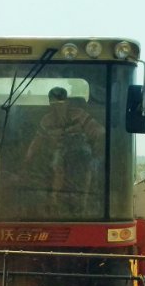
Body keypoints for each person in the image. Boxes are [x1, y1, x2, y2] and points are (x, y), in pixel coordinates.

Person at [23, 87, 104, 216]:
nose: (57, 107)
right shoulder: (46, 120)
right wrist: (28, 157)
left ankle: (85, 202)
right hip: (59, 151)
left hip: (81, 151)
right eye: (54, 104)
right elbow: (37, 141)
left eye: (60, 104)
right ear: (49, 104)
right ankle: (54, 200)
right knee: (57, 164)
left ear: (67, 102)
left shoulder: (79, 114)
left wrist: (95, 147)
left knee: (90, 167)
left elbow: (99, 132)